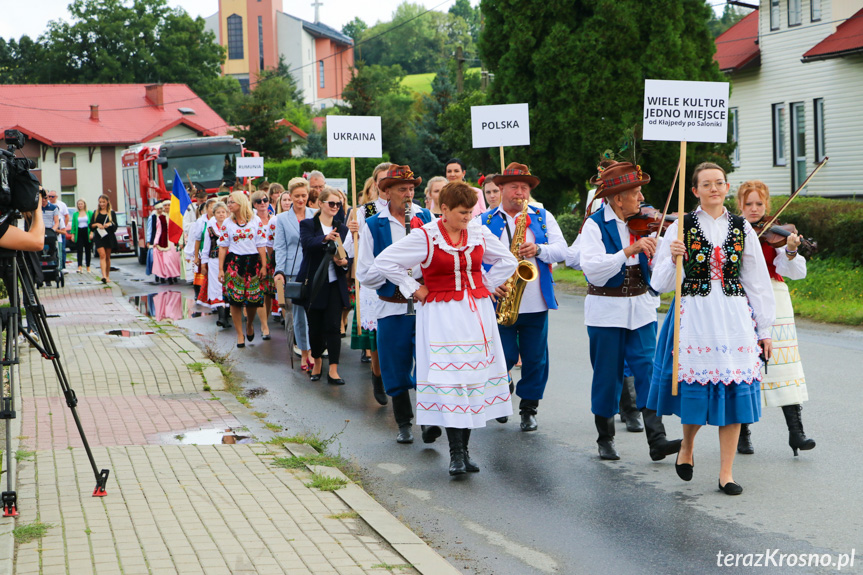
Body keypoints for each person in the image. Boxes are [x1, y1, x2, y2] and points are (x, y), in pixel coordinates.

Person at [648, 162, 775, 496]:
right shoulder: (679, 226)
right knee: (696, 388)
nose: (714, 189)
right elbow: (658, 284)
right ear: (695, 191)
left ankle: (726, 473)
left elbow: (757, 281)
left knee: (734, 388)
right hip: (695, 313)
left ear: (726, 187)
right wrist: (672, 258)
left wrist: (765, 330)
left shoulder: (742, 227)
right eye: (707, 184)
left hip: (733, 315)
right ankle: (687, 445)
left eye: (719, 183)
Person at [376, 181, 518, 475]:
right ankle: (455, 454)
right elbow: (385, 261)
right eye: (462, 212)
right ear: (444, 209)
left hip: (475, 313)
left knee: (472, 378)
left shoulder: (478, 231)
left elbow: (507, 259)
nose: (468, 217)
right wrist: (413, 287)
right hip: (441, 315)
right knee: (452, 380)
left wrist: (487, 285)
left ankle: (463, 452)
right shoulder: (426, 235)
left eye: (470, 212)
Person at [577, 161, 681, 461]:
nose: (640, 198)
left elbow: (661, 264)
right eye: (635, 193)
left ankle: (657, 439)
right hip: (605, 310)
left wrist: (670, 250)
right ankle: (605, 438)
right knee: (607, 375)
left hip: (641, 308)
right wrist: (628, 252)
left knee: (648, 370)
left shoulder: (646, 222)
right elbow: (593, 270)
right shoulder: (595, 225)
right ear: (617, 197)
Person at [480, 163, 568, 431]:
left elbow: (563, 250)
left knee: (535, 358)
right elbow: (473, 256)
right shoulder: (483, 220)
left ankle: (529, 407)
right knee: (502, 355)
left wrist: (539, 249)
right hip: (500, 299)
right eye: (515, 187)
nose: (521, 192)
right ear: (502, 189)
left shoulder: (541, 216)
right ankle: (501, 390)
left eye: (525, 188)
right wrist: (489, 283)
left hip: (534, 300)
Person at [357, 165, 436, 442]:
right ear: (386, 191)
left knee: (428, 362)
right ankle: (403, 421)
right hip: (390, 304)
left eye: (412, 189)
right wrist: (395, 270)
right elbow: (365, 273)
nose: (408, 194)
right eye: (402, 189)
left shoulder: (426, 218)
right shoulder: (373, 225)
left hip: (425, 303)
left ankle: (429, 421)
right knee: (394, 364)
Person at [736, 180, 815, 456]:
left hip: (775, 297)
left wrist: (792, 249)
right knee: (745, 366)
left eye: (759, 204)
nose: (754, 209)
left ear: (767, 205)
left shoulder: (777, 233)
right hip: (740, 298)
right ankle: (741, 434)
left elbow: (793, 271)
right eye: (748, 204)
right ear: (740, 205)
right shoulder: (733, 230)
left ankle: (796, 432)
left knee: (783, 365)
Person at [346, 162, 392, 404]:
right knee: (378, 338)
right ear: (376, 184)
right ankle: (378, 376)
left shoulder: (410, 210)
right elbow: (346, 251)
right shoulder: (366, 211)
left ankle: (399, 379)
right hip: (375, 281)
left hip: (403, 280)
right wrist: (354, 231)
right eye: (384, 181)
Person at [296, 188, 350, 384]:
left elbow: (348, 256)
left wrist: (345, 263)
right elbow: (307, 244)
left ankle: (334, 369)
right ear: (320, 203)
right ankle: (317, 361)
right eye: (331, 203)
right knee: (315, 327)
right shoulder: (308, 224)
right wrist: (324, 239)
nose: (335, 207)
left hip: (335, 283)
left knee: (334, 327)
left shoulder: (342, 228)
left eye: (338, 204)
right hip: (314, 283)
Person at [274, 177, 316, 370]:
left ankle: (315, 350)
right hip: (293, 272)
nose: (300, 200)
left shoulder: (315, 214)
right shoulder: (282, 219)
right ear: (289, 196)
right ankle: (305, 353)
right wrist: (279, 271)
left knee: (315, 313)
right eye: (297, 196)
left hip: (314, 270)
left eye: (304, 195)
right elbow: (280, 247)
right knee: (298, 315)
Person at [218, 191, 267, 348]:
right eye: (228, 202)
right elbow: (223, 247)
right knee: (235, 300)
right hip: (235, 262)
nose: (229, 205)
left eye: (232, 202)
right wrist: (220, 269)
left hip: (253, 261)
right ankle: (239, 334)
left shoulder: (255, 220)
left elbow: (261, 244)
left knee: (253, 300)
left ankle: (250, 323)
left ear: (240, 202)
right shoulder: (227, 223)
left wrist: (264, 265)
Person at [200, 202, 231, 327]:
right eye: (218, 212)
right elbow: (206, 247)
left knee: (228, 285)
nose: (221, 214)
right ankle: (221, 317)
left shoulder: (230, 226)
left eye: (223, 212)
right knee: (217, 286)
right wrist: (203, 263)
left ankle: (227, 315)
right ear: (214, 214)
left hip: (229, 260)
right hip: (214, 261)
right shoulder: (210, 229)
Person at [251, 190, 276, 340]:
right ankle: (264, 326)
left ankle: (265, 320)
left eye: (265, 200)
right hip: (258, 259)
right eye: (259, 201)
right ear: (254, 204)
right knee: (260, 291)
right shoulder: (252, 220)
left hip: (272, 257)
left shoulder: (274, 219)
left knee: (269, 293)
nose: (262, 203)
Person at [151, 200, 182, 285]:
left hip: (174, 240)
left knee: (174, 259)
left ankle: (174, 275)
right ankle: (168, 277)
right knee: (167, 261)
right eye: (165, 205)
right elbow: (158, 230)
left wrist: (180, 240)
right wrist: (156, 241)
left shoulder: (175, 216)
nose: (167, 207)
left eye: (169, 205)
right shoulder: (160, 217)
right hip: (164, 240)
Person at [90, 194, 118, 283]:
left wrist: (109, 224)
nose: (102, 204)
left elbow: (115, 226)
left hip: (108, 236)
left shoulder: (111, 213)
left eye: (103, 202)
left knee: (107, 257)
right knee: (102, 255)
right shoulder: (96, 212)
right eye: (100, 202)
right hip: (99, 236)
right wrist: (97, 224)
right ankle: (104, 276)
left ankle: (108, 275)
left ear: (107, 202)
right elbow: (91, 225)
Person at [47, 190, 69, 269]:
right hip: (49, 230)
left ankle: (62, 266)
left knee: (61, 249)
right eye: (49, 196)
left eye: (52, 197)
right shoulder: (47, 204)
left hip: (59, 228)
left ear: (56, 197)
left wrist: (62, 227)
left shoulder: (61, 205)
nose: (50, 198)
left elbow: (66, 216)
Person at [70, 199, 93, 272]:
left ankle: (88, 266)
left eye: (81, 204)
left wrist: (91, 233)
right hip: (79, 232)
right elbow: (73, 225)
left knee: (88, 250)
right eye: (79, 204)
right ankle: (79, 266)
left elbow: (92, 224)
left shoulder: (89, 213)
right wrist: (73, 234)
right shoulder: (75, 214)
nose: (80, 205)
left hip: (87, 231)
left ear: (84, 204)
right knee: (79, 250)